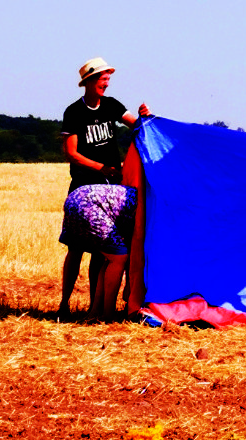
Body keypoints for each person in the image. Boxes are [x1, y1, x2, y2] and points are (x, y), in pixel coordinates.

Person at [58, 57, 150, 319]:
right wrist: (100, 168)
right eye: (102, 79)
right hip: (84, 186)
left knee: (105, 252)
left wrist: (145, 116)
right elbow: (72, 153)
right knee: (76, 249)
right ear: (88, 81)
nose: (106, 84)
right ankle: (64, 304)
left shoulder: (111, 106)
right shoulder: (74, 112)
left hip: (110, 184)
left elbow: (137, 124)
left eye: (108, 79)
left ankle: (93, 307)